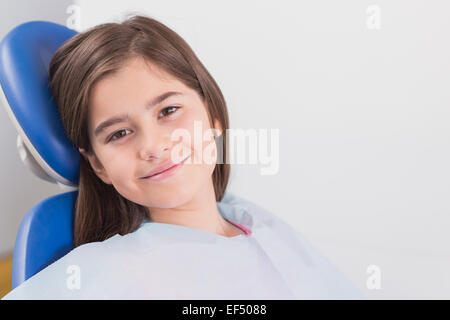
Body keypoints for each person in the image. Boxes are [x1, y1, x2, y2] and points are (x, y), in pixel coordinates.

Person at [2, 15, 364, 300]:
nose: (153, 146)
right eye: (119, 133)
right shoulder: (102, 275)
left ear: (213, 114)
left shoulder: (260, 224)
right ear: (98, 164)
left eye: (169, 110)